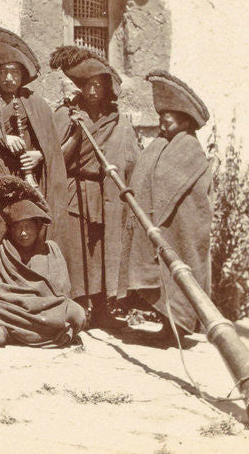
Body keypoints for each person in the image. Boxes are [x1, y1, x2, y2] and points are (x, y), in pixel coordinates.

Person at [0, 25, 73, 272]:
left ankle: (37, 282)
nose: (9, 78)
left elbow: (52, 149)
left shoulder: (38, 105)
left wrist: (39, 156)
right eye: (3, 72)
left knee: (29, 233)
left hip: (30, 185)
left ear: (22, 74)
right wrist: (1, 138)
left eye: (14, 72)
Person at [50, 45, 140, 328]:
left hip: (105, 194)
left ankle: (102, 309)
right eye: (88, 85)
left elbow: (130, 158)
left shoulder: (116, 121)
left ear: (106, 90)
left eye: (98, 86)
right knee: (77, 251)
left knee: (100, 251)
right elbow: (56, 158)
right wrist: (77, 132)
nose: (92, 92)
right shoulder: (67, 114)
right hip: (75, 189)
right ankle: (77, 309)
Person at [119, 70, 213, 341]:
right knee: (162, 276)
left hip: (181, 224)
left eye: (168, 119)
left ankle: (180, 327)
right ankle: (167, 325)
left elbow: (180, 187)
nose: (163, 123)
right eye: (161, 118)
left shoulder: (190, 149)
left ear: (184, 121)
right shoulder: (161, 145)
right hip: (160, 222)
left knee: (181, 270)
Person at [0, 175, 87, 348]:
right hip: (10, 308)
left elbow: (62, 290)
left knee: (78, 314)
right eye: (18, 228)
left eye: (28, 227)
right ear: (10, 229)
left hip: (46, 308)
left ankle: (12, 334)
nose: (23, 233)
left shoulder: (51, 249)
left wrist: (41, 303)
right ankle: (53, 333)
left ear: (37, 227)